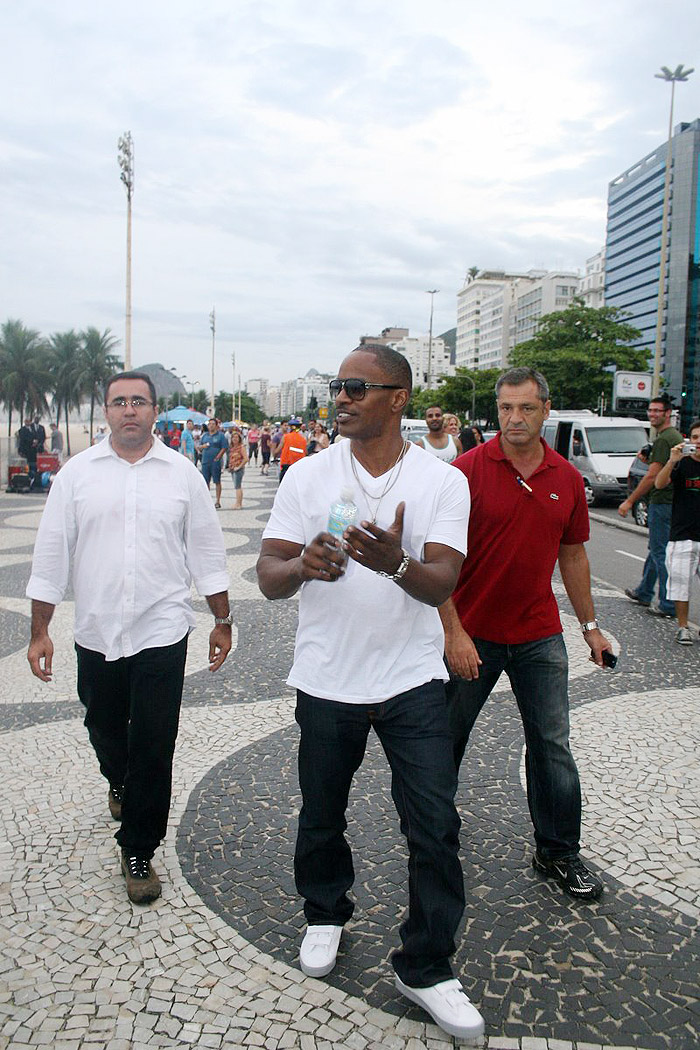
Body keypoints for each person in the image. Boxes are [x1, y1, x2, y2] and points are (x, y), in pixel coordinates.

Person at [256, 345, 483, 1043]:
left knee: (435, 825)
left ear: (398, 399)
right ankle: (325, 912)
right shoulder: (308, 474)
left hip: (413, 680)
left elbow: (442, 583)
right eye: (338, 386)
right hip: (327, 678)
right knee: (322, 812)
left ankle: (428, 964)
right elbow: (267, 575)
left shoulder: (443, 482)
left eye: (357, 387)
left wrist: (396, 563)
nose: (342, 397)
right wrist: (302, 564)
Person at [26, 371, 232, 905]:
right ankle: (118, 781)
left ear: (154, 411)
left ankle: (138, 846)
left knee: (155, 742)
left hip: (162, 630)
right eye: (119, 402)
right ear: (107, 412)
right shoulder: (77, 475)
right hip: (96, 630)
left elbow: (207, 554)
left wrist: (222, 619)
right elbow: (51, 556)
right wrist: (39, 630)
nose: (129, 410)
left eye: (139, 401)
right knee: (103, 724)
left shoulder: (182, 475)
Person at [441, 366, 613, 903]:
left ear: (545, 409)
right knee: (445, 741)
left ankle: (558, 851)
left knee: (552, 745)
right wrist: (453, 631)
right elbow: (436, 559)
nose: (515, 419)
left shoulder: (565, 478)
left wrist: (590, 628)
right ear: (497, 411)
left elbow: (573, 554)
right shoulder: (466, 472)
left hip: (539, 635)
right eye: (506, 408)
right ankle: (433, 832)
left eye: (527, 408)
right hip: (473, 633)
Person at [618, 395, 683, 617]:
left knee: (660, 551)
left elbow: (651, 476)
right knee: (656, 549)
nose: (652, 414)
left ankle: (668, 604)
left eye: (657, 411)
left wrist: (630, 500)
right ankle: (644, 591)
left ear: (667, 414)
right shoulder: (670, 437)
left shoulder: (665, 438)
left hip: (662, 501)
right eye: (650, 410)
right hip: (669, 502)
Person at [653, 420, 700, 644]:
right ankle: (683, 627)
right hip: (683, 534)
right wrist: (672, 461)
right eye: (695, 437)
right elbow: (660, 484)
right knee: (681, 585)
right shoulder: (681, 464)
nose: (699, 442)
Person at [197, 418, 229, 508]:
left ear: (216, 425)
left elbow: (224, 447)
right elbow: (199, 447)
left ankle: (218, 501)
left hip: (215, 462)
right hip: (205, 461)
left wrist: (219, 456)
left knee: (217, 481)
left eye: (212, 424)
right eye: (209, 424)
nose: (211, 425)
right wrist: (202, 447)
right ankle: (207, 501)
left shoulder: (220, 435)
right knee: (205, 482)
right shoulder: (205, 436)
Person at [279, 418, 307, 482]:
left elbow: (279, 448)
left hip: (286, 465)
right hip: (299, 465)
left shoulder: (286, 437)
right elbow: (305, 452)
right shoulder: (303, 439)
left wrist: (274, 454)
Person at [227, 429, 249, 510]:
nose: (235, 439)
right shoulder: (232, 448)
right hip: (233, 468)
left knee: (237, 486)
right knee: (237, 486)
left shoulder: (241, 447)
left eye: (236, 437)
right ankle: (238, 503)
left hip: (238, 469)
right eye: (233, 437)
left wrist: (239, 466)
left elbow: (246, 459)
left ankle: (238, 503)